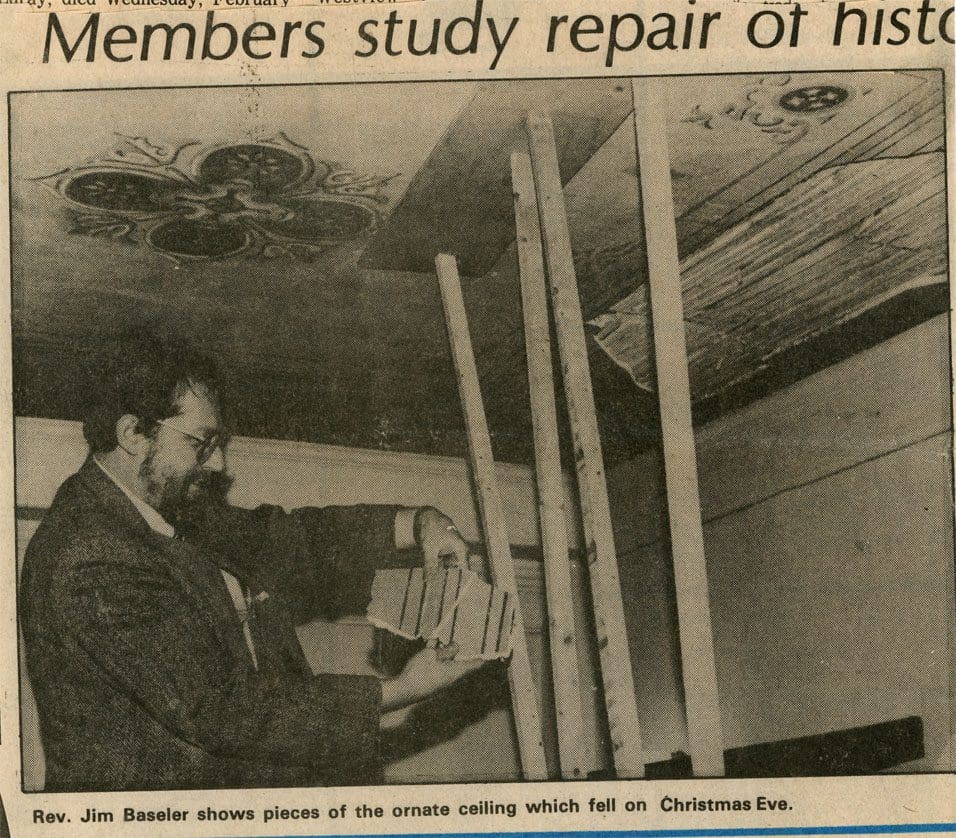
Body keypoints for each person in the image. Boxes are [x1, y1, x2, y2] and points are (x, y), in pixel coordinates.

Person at [19, 331, 483, 791]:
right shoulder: (90, 555)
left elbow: (287, 541)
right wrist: (402, 690)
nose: (218, 464)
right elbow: (219, 708)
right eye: (201, 443)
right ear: (133, 434)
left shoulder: (160, 510)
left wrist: (421, 523)